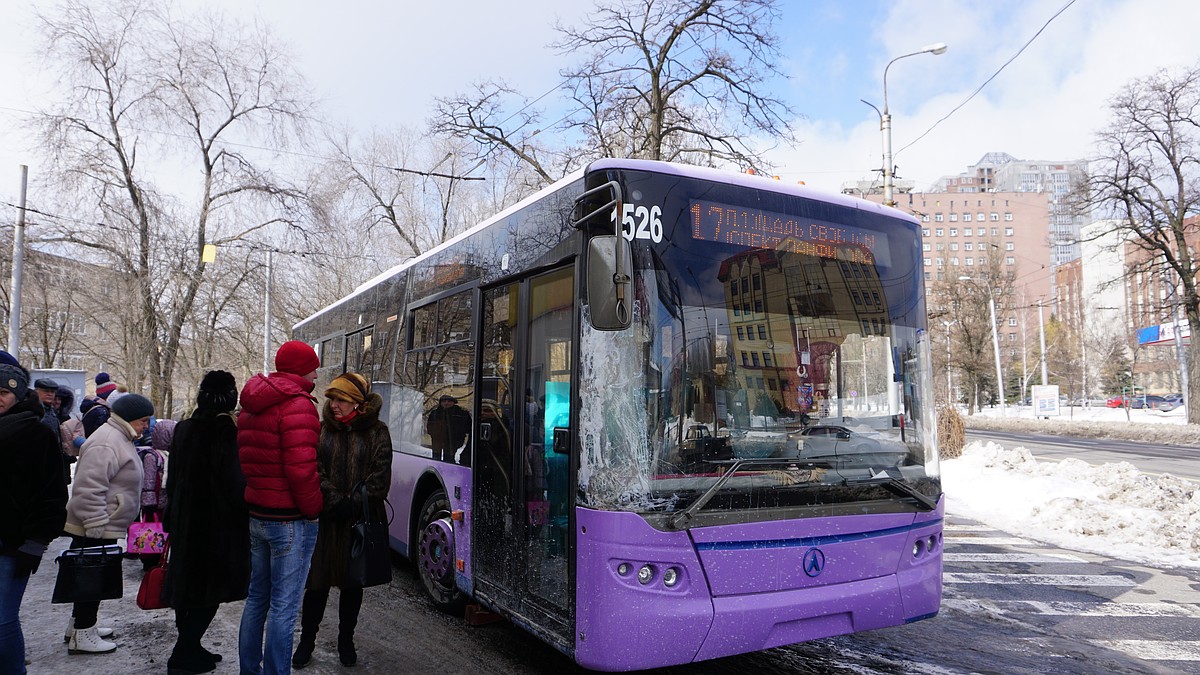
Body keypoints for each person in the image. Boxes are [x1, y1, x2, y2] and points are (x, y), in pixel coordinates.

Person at [293, 372, 393, 669]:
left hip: (359, 520)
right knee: (316, 586)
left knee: (352, 586)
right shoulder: (322, 430)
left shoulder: (378, 431)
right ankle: (306, 641)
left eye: (342, 399)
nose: (334, 404)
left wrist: (353, 504)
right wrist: (333, 500)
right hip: (326, 520)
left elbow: (380, 475)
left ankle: (345, 640)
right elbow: (314, 467)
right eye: (333, 398)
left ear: (358, 404)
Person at [237, 340, 323, 675]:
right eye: (313, 367)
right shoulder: (298, 404)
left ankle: (250, 670)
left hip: (258, 514)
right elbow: (302, 470)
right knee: (284, 606)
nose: (316, 373)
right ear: (303, 369)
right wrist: (314, 509)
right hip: (289, 519)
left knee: (257, 598)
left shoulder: (252, 403)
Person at [162, 371, 249, 674]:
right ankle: (183, 652)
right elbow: (236, 484)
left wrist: (171, 514)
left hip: (186, 522)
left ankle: (191, 646)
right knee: (209, 592)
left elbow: (172, 478)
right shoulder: (227, 432)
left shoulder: (184, 428)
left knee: (188, 589)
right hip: (216, 526)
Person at [63, 392, 155, 655]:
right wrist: (95, 522)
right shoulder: (107, 441)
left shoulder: (117, 436)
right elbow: (89, 487)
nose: (146, 426)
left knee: (90, 579)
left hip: (103, 522)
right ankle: (83, 632)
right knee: (91, 579)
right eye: (143, 421)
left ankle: (80, 626)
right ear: (129, 419)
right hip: (95, 525)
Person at [0, 361, 68, 675]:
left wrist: (36, 542)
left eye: (3, 392)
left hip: (12, 546)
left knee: (2, 622)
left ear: (17, 394)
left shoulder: (36, 432)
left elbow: (52, 494)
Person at [426, 394, 470, 463]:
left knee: (449, 459)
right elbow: (430, 427)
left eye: (449, 401)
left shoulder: (461, 413)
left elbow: (468, 427)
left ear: (454, 402)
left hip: (453, 441)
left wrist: (459, 434)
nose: (446, 403)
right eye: (444, 401)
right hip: (438, 440)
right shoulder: (435, 413)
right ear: (440, 402)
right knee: (436, 459)